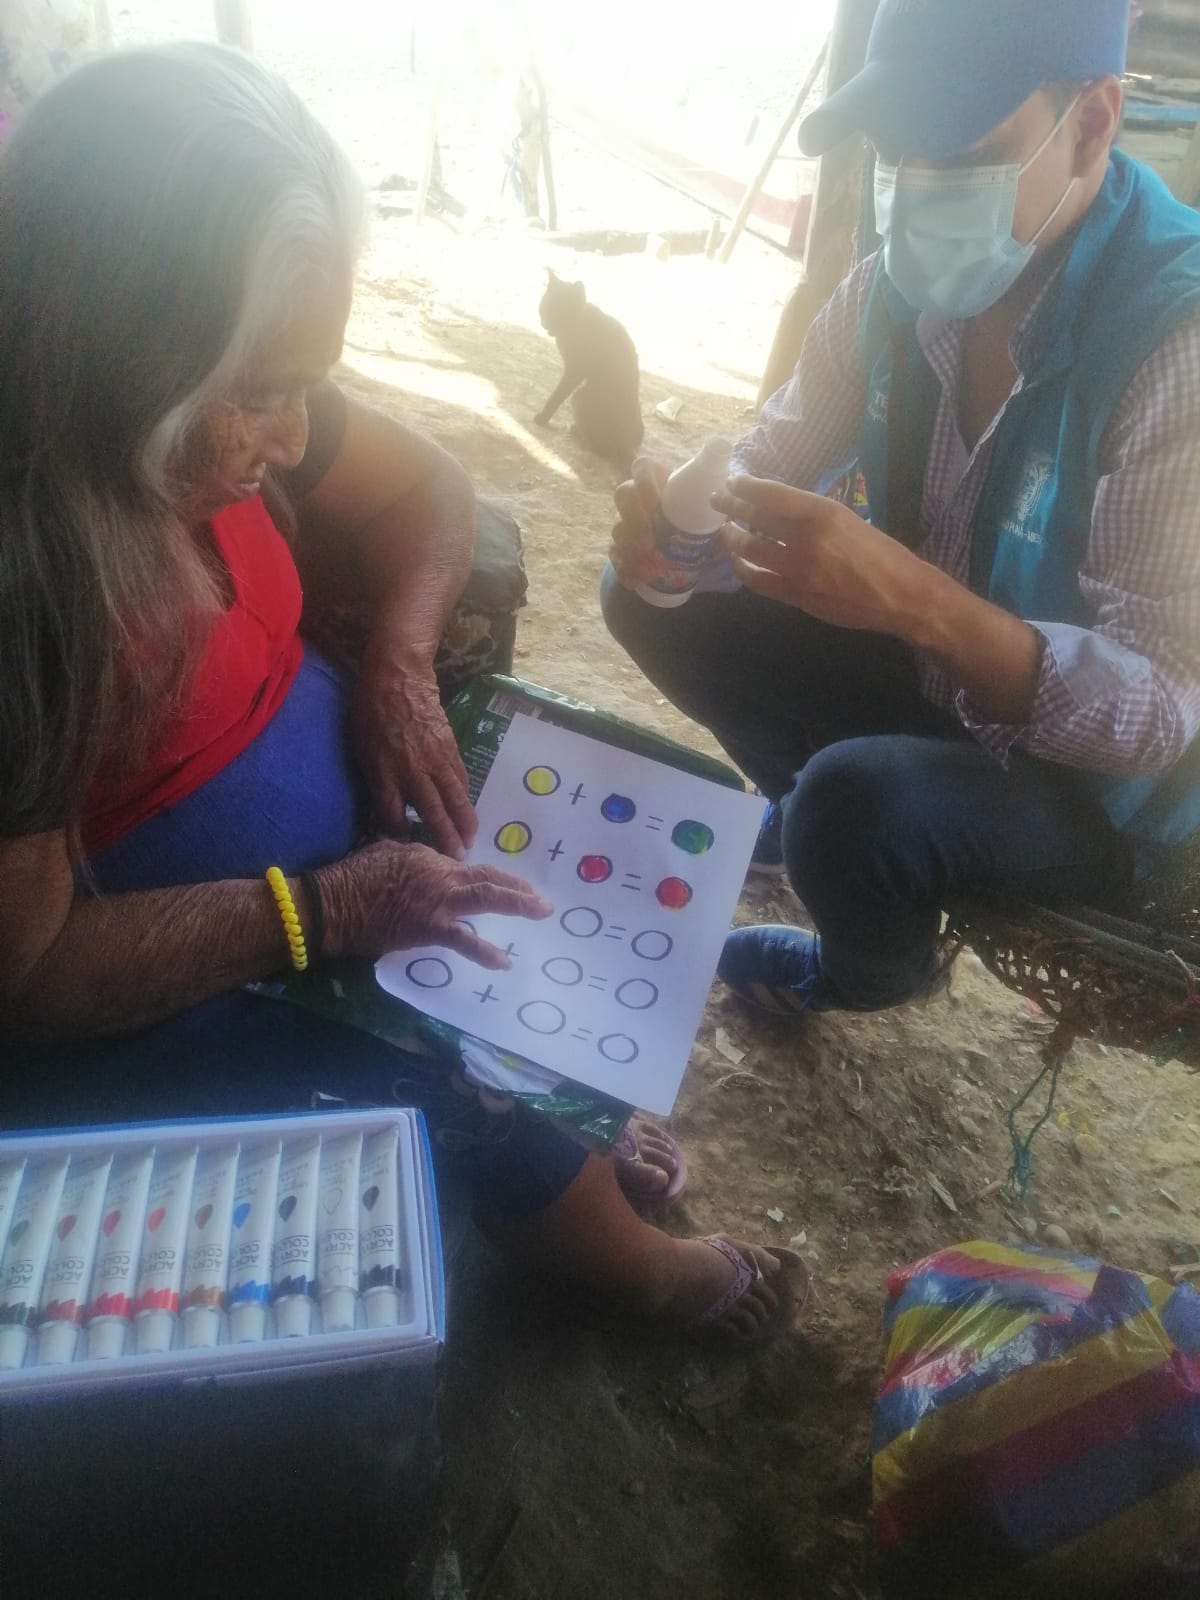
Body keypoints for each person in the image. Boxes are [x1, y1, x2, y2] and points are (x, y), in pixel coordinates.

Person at [0, 44, 801, 1340]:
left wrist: (399, 665)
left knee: (549, 892)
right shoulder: (28, 576)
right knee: (454, 1056)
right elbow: (26, 975)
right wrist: (324, 911)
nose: (294, 439)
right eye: (258, 394)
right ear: (124, 353)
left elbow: (431, 486)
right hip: (172, 973)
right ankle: (628, 1260)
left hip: (344, 839)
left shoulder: (215, 420)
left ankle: (564, 1107)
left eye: (304, 385)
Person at [603, 0, 1200, 1018]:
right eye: (895, 155)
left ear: (1093, 123)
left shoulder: (1171, 341)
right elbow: (771, 461)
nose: (919, 196)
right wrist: (683, 533)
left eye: (961, 156)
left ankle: (874, 967)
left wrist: (919, 604)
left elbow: (1163, 716)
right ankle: (829, 822)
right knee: (645, 596)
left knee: (852, 808)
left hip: (1096, 794)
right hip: (935, 684)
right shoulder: (891, 290)